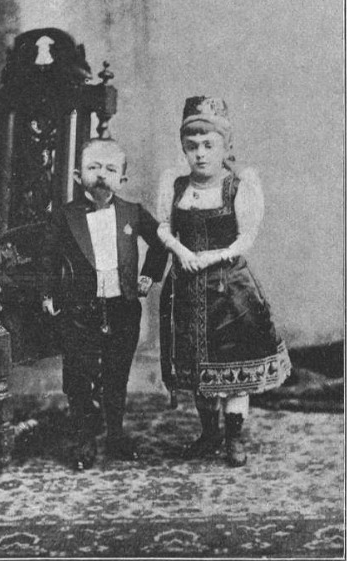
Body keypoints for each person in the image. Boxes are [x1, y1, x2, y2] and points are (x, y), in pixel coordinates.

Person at [158, 96, 291, 467]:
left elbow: (245, 238)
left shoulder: (239, 185)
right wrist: (180, 251)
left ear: (225, 146)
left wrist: (212, 257)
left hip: (230, 290)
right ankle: (209, 434)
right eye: (192, 146)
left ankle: (233, 438)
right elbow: (163, 227)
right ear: (184, 148)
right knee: (199, 367)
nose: (200, 154)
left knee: (234, 369)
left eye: (208, 145)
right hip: (187, 289)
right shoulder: (175, 185)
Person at [40, 137, 167, 471]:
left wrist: (148, 276)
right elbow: (49, 258)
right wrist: (49, 294)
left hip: (122, 307)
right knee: (79, 375)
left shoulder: (132, 212)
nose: (101, 175)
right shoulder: (65, 216)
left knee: (116, 373)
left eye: (110, 169)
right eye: (93, 167)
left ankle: (115, 434)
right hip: (80, 309)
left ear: (122, 179)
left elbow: (161, 242)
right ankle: (84, 440)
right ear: (78, 175)